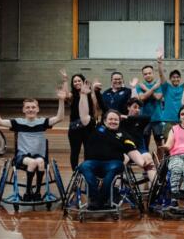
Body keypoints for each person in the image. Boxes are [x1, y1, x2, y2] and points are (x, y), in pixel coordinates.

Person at [0, 86, 66, 201]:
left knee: (40, 162)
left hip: (39, 156)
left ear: (38, 109)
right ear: (23, 110)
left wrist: (61, 100)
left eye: (33, 107)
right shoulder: (18, 122)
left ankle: (37, 192)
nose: (30, 109)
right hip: (22, 157)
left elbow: (60, 117)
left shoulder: (42, 122)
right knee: (33, 162)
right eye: (27, 107)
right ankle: (28, 191)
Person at [77, 82, 145, 210]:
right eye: (111, 119)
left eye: (116, 120)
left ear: (119, 122)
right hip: (93, 162)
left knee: (114, 168)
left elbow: (132, 151)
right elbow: (84, 116)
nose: (113, 121)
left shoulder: (123, 135)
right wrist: (83, 95)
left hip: (113, 163)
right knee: (84, 166)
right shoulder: (96, 128)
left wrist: (142, 163)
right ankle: (95, 198)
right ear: (104, 120)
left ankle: (100, 200)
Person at [63, 70, 99, 170]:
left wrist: (93, 91)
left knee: (89, 151)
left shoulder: (89, 94)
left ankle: (88, 170)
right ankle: (75, 172)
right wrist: (65, 80)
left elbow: (95, 108)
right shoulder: (72, 95)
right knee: (75, 151)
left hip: (88, 127)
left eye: (79, 81)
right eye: (75, 81)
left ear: (83, 82)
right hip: (75, 128)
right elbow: (65, 96)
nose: (77, 83)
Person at [158, 51, 184, 141]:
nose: (175, 78)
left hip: (182, 120)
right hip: (168, 121)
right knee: (168, 142)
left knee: (182, 141)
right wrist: (159, 63)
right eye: (173, 77)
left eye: (177, 77)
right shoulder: (166, 87)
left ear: (180, 78)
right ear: (170, 79)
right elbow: (161, 75)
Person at [120, 98, 157, 183]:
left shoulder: (140, 120)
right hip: (125, 151)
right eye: (135, 107)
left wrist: (127, 117)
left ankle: (156, 189)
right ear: (128, 107)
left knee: (148, 157)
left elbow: (148, 118)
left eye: (139, 108)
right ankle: (116, 189)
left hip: (139, 150)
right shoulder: (120, 121)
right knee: (121, 159)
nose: (137, 110)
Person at [133, 59, 164, 148]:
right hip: (144, 119)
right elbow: (142, 98)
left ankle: (159, 162)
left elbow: (158, 97)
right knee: (144, 143)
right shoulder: (140, 86)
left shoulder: (159, 84)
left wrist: (147, 89)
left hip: (157, 119)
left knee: (159, 144)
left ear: (153, 73)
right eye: (145, 74)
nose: (147, 75)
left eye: (149, 73)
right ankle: (147, 161)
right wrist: (153, 88)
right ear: (143, 75)